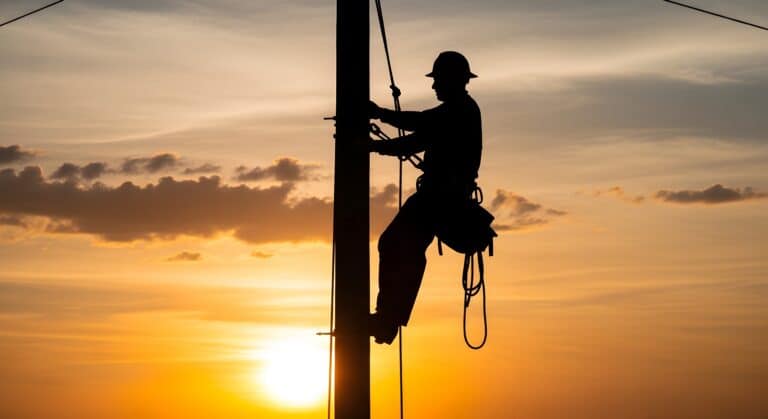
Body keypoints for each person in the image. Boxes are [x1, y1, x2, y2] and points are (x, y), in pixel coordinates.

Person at [368, 51, 482, 344]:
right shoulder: (460, 112)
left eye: (438, 80)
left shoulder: (459, 111)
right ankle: (388, 318)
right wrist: (378, 139)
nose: (434, 87)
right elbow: (419, 135)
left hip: (441, 196)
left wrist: (378, 122)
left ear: (451, 80)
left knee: (395, 244)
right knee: (404, 248)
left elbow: (419, 127)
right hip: (441, 196)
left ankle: (388, 318)